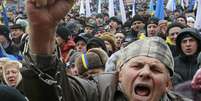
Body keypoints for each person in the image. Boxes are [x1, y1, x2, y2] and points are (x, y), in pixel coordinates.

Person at [21, 0, 191, 101]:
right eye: (137, 66)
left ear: (168, 83)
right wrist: (42, 29)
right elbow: (48, 91)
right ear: (119, 74)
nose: (145, 73)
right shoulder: (97, 93)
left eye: (155, 69)